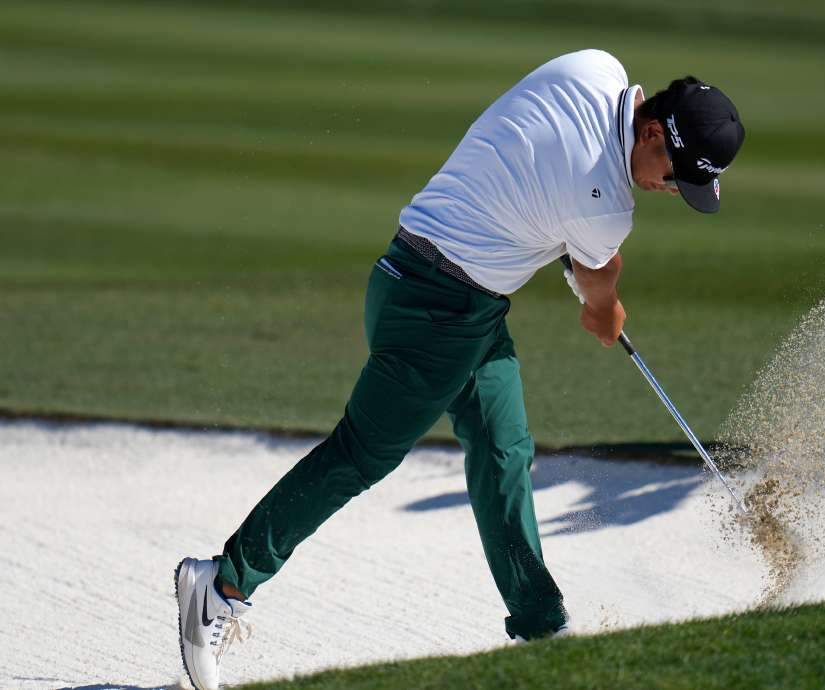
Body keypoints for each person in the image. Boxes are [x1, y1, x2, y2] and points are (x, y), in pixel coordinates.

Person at [174, 48, 744, 690]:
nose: (670, 189)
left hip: (445, 291)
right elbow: (597, 282)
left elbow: (531, 162)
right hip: (435, 312)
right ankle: (221, 585)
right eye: (673, 176)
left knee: (503, 450)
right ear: (651, 132)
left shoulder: (594, 67)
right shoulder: (606, 206)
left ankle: (540, 625)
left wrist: (571, 248)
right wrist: (606, 312)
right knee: (361, 455)